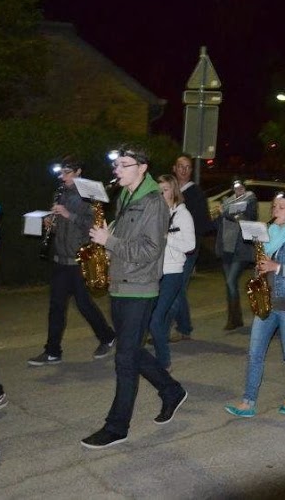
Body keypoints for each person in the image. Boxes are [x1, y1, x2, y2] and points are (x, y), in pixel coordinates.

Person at [81, 144, 187, 449]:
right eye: (116, 165)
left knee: (125, 358)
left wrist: (109, 241)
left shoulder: (153, 202)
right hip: (120, 282)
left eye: (123, 165)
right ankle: (171, 391)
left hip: (140, 288)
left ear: (142, 167)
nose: (116, 170)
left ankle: (117, 426)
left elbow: (150, 249)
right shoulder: (127, 195)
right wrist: (108, 235)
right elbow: (128, 237)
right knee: (132, 351)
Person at [225, 189, 285, 417]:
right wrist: (260, 267)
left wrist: (277, 267)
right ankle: (248, 401)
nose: (276, 210)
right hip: (267, 301)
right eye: (275, 206)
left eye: (281, 206)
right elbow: (262, 263)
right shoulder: (270, 232)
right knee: (254, 353)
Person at [28, 157, 116, 366]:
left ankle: (107, 336)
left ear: (78, 171)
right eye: (60, 172)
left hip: (79, 258)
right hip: (60, 258)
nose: (62, 176)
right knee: (56, 307)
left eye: (66, 172)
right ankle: (52, 351)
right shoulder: (59, 193)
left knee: (84, 305)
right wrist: (51, 222)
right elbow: (61, 227)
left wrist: (69, 214)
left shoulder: (89, 194)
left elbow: (94, 225)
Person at [149, 174, 195, 371]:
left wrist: (167, 237)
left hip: (172, 272)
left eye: (165, 189)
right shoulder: (155, 213)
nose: (161, 193)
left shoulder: (183, 215)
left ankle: (164, 362)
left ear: (174, 191)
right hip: (153, 271)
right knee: (150, 317)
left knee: (156, 319)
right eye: (158, 190)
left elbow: (190, 245)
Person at [170, 153, 215, 341]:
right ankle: (184, 326)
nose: (184, 170)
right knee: (176, 287)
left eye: (188, 167)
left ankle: (165, 327)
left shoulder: (195, 193)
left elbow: (203, 224)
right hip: (170, 247)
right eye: (180, 166)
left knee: (176, 287)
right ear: (174, 168)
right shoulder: (168, 190)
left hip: (188, 248)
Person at [214, 179, 257, 330]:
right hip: (227, 246)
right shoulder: (228, 202)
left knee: (231, 282)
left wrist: (224, 212)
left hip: (241, 248)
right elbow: (218, 224)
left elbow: (244, 217)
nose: (238, 189)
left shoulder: (250, 200)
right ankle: (235, 318)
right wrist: (218, 214)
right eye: (235, 187)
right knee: (229, 284)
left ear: (245, 187)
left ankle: (234, 319)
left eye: (241, 186)